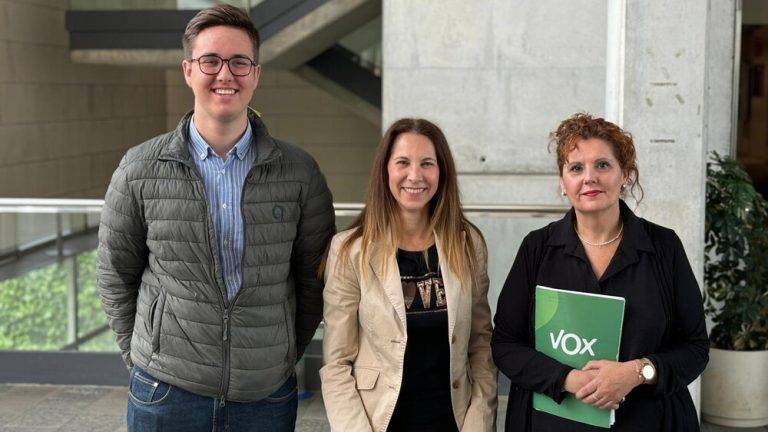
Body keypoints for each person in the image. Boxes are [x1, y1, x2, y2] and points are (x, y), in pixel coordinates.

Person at [97, 5, 335, 431]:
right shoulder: (139, 168)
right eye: (211, 60)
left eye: (239, 62)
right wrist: (141, 355)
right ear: (188, 70)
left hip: (264, 396)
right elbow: (115, 272)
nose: (225, 74)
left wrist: (279, 354)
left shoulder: (299, 172)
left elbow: (313, 278)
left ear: (256, 74)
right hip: (166, 391)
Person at [491, 113, 709, 431]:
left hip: (648, 421)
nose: (589, 177)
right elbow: (506, 344)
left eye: (603, 165)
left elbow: (695, 348)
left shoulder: (664, 247)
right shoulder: (536, 248)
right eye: (576, 168)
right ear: (563, 183)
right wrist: (569, 379)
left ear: (626, 175)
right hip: (552, 420)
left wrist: (638, 372)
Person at [320, 118, 497, 432]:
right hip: (379, 422)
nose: (415, 175)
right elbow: (337, 363)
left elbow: (481, 346)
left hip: (453, 420)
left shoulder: (468, 244)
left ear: (441, 172)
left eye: (427, 163)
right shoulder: (349, 251)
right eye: (403, 162)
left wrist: (478, 422)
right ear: (385, 169)